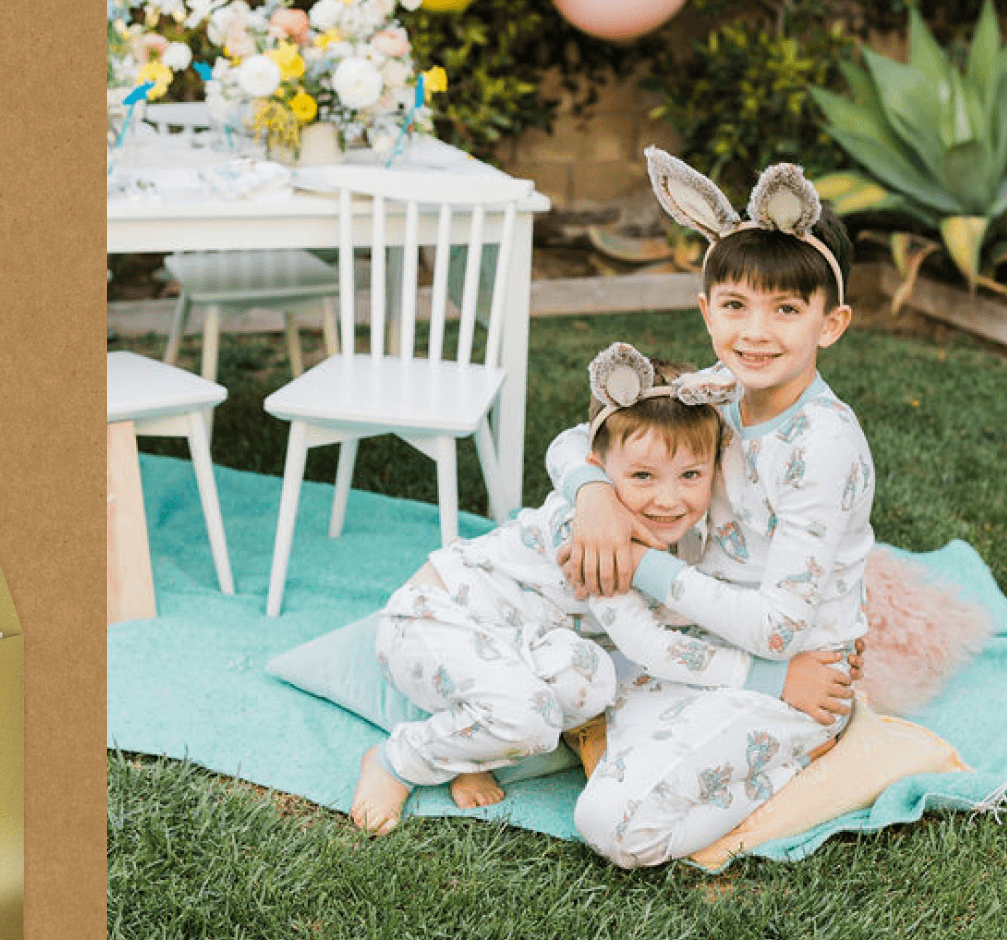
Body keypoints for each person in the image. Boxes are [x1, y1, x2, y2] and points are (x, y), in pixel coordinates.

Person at [349, 343, 857, 837]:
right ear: (599, 466)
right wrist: (773, 680)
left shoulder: (672, 528)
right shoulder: (598, 538)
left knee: (591, 683)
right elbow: (650, 647)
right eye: (641, 475)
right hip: (435, 619)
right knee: (525, 717)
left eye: (690, 476)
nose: (667, 498)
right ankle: (398, 760)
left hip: (522, 641)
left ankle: (472, 747)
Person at [550, 150, 874, 867]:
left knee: (611, 823)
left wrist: (639, 564)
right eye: (736, 305)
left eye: (786, 309)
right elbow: (579, 438)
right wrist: (593, 492)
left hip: (794, 677)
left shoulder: (822, 445)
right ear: (707, 309)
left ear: (830, 323)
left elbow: (782, 626)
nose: (755, 332)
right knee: (555, 644)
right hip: (701, 637)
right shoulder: (716, 388)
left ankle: (796, 765)